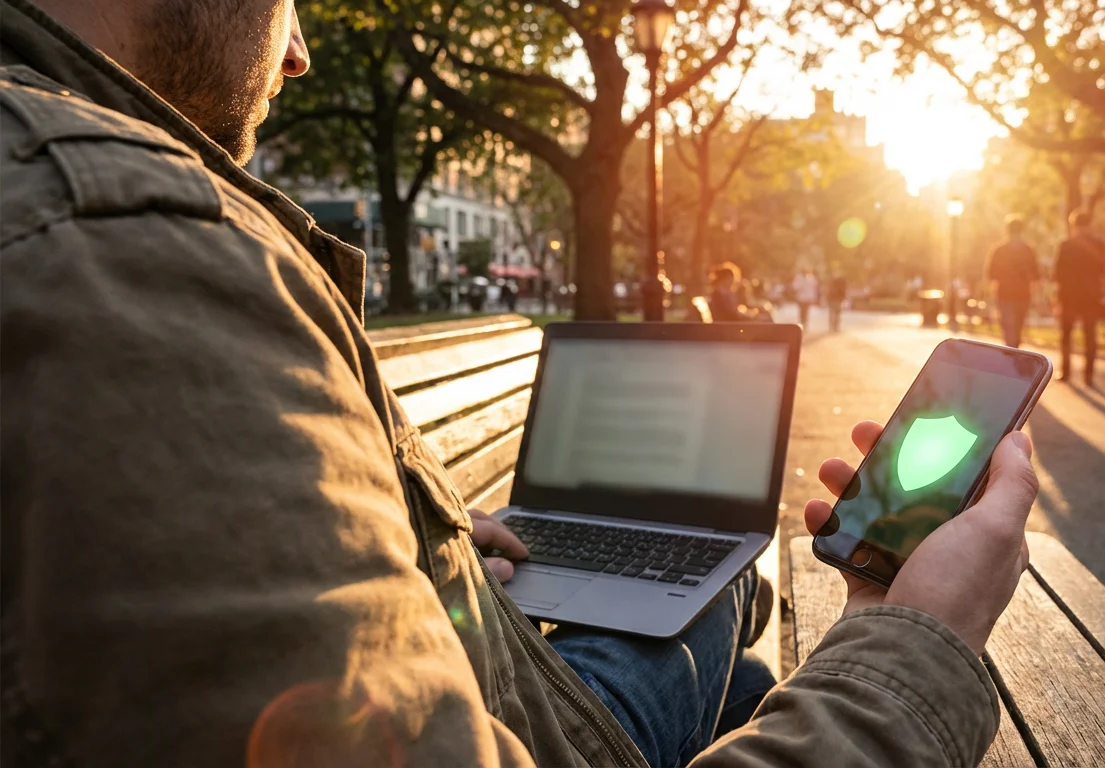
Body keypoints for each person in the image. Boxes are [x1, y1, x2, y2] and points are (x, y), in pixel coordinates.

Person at [0, 1, 1041, 764]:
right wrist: (917, 643)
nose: (304, 51)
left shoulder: (90, 219)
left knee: (733, 642)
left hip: (478, 659)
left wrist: (434, 549)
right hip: (535, 732)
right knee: (721, 591)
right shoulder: (122, 235)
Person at [1053, 209, 1105, 386]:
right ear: (1089, 225)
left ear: (1073, 225)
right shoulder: (1099, 245)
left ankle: (1066, 371)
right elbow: (1103, 268)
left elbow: (1058, 273)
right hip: (1091, 295)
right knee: (1090, 335)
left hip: (1069, 295)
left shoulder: (1066, 245)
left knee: (1067, 335)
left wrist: (1057, 296)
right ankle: (1089, 375)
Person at [985, 215, 1040, 348]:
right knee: (1018, 327)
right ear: (1022, 230)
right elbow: (1036, 275)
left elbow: (991, 274)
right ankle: (1014, 350)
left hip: (1004, 293)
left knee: (1008, 327)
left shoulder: (999, 249)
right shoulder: (1028, 249)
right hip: (1022, 293)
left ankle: (1011, 353)